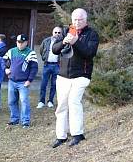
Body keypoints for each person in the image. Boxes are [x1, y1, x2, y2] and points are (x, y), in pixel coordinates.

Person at [51, 9, 99, 148]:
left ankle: (77, 134)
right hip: (63, 76)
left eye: (80, 20)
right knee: (61, 106)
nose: (77, 22)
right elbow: (54, 49)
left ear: (86, 20)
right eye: (75, 20)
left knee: (73, 102)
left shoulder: (92, 34)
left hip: (81, 76)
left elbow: (90, 53)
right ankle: (61, 136)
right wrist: (63, 42)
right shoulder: (66, 31)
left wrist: (76, 41)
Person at [3, 34, 39, 128]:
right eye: (18, 42)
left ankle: (25, 121)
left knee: (24, 101)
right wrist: (6, 69)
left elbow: (34, 68)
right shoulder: (11, 51)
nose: (20, 44)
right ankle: (14, 119)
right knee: (11, 101)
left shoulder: (31, 53)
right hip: (12, 81)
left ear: (26, 43)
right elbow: (4, 61)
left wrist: (29, 80)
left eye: (22, 42)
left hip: (23, 82)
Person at [38, 26, 62, 109]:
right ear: (52, 33)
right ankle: (41, 101)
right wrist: (44, 58)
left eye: (59, 32)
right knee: (43, 84)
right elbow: (41, 50)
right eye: (55, 32)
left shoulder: (63, 42)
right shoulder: (46, 41)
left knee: (54, 84)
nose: (57, 34)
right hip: (47, 65)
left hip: (57, 66)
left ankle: (50, 101)